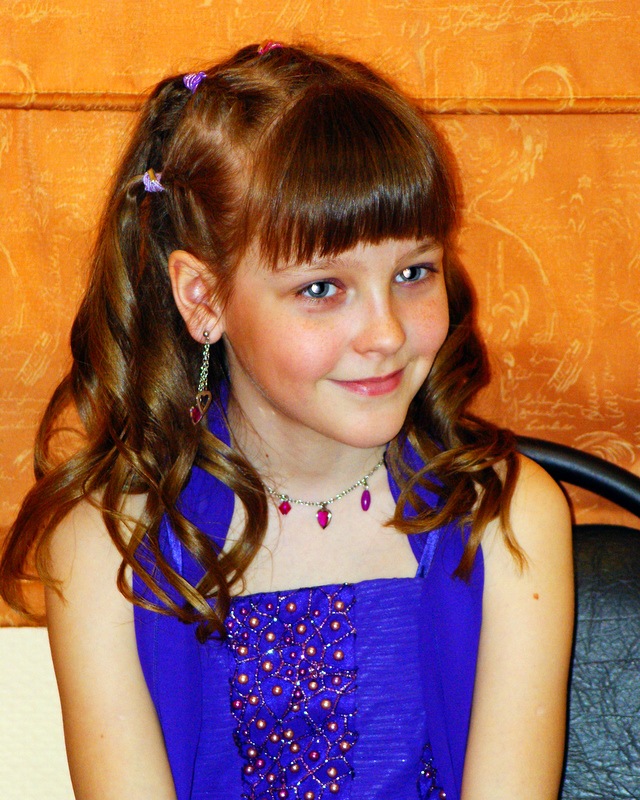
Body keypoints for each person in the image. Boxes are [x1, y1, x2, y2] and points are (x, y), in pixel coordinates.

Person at [0, 42, 573, 800]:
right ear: (204, 299)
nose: (386, 334)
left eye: (413, 272)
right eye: (322, 288)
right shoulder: (110, 546)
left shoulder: (507, 516)